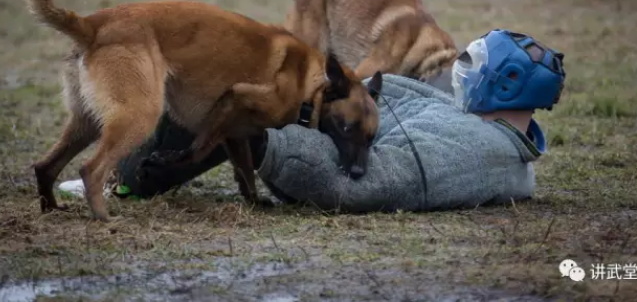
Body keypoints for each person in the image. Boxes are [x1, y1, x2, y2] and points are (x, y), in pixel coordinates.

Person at [113, 28, 566, 213]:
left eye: (471, 64)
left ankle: (126, 176)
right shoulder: (483, 128)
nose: (460, 72)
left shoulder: (472, 149)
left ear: (504, 84)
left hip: (302, 151)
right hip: (323, 128)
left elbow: (379, 181)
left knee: (228, 101)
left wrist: (266, 140)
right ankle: (118, 165)